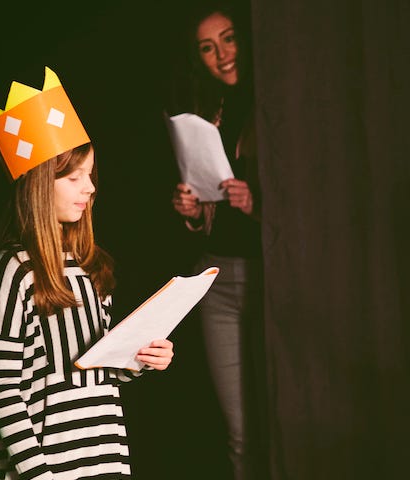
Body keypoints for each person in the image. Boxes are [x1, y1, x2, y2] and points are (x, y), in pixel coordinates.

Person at [0, 69, 175, 479]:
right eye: (74, 177)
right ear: (38, 185)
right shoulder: (13, 270)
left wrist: (141, 360)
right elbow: (2, 391)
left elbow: (98, 371)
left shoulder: (90, 266)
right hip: (48, 470)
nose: (90, 188)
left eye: (90, 176)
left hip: (104, 457)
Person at [168, 4, 260, 479]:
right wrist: (191, 210)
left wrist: (256, 204)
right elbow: (208, 205)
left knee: (281, 419)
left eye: (228, 39)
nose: (222, 54)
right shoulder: (209, 111)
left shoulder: (276, 101)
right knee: (240, 431)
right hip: (217, 282)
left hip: (269, 280)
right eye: (208, 47)